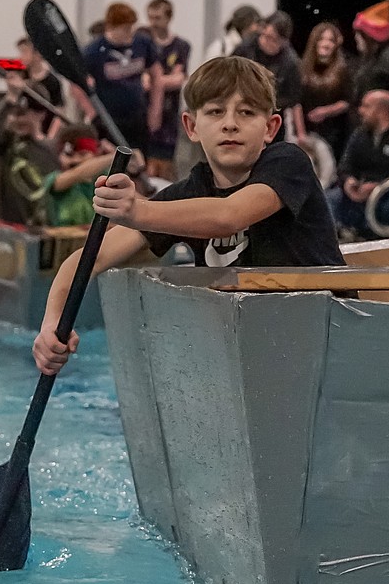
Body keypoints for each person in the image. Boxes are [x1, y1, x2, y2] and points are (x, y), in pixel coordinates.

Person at [33, 56, 344, 376]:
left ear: (271, 128)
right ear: (192, 127)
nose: (230, 123)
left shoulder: (288, 163)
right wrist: (51, 323)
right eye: (215, 111)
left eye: (247, 112)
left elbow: (229, 215)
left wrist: (138, 210)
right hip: (255, 349)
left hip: (330, 335)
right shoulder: (187, 193)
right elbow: (88, 259)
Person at [326, 90, 389, 238]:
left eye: (366, 106)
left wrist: (379, 187)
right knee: (329, 198)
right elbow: (345, 165)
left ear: (380, 110)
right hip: (359, 194)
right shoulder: (359, 135)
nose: (360, 111)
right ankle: (336, 238)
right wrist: (349, 181)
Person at [79, 2, 163, 154]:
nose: (130, 33)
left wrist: (155, 109)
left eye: (132, 27)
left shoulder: (142, 43)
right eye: (125, 29)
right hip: (109, 118)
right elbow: (76, 84)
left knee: (138, 158)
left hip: (137, 115)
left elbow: (156, 74)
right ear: (111, 27)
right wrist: (92, 112)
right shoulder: (94, 51)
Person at [0, 78, 59, 226]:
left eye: (23, 114)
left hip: (40, 228)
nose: (17, 120)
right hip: (8, 227)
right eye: (14, 114)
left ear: (41, 114)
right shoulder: (7, 144)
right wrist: (10, 98)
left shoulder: (53, 149)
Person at [233, 11, 305, 142]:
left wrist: (265, 102)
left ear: (283, 41)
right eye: (265, 36)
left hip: (271, 119)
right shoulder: (245, 48)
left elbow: (294, 97)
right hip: (240, 113)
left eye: (274, 39)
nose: (266, 42)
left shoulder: (290, 61)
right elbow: (229, 75)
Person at [142, 0, 192, 180]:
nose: (153, 23)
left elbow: (179, 77)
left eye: (157, 18)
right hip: (144, 112)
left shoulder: (180, 46)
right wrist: (160, 80)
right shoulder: (144, 43)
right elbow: (142, 77)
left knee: (165, 165)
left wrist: (155, 81)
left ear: (168, 18)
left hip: (168, 114)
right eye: (150, 18)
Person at [41, 124, 118, 227]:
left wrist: (136, 171)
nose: (76, 160)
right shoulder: (55, 179)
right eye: (69, 155)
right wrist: (117, 156)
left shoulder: (106, 176)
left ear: (96, 153)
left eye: (82, 154)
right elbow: (77, 174)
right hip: (65, 240)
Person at [300, 22, 353, 162]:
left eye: (331, 40)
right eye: (322, 39)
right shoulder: (302, 68)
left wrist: (325, 111)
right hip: (306, 130)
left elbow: (348, 101)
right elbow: (296, 101)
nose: (326, 44)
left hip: (334, 131)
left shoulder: (344, 70)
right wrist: (300, 133)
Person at [352, 1, 389, 109]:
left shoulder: (388, 57)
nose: (356, 38)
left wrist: (385, 104)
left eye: (361, 34)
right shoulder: (372, 57)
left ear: (370, 37)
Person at [16, 37, 66, 140]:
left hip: (46, 132)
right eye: (20, 52)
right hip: (26, 132)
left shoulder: (52, 81)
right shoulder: (21, 78)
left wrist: (50, 137)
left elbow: (59, 111)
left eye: (25, 52)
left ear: (37, 54)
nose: (21, 57)